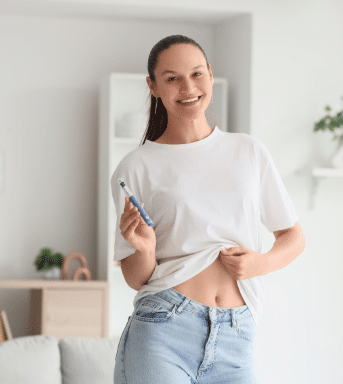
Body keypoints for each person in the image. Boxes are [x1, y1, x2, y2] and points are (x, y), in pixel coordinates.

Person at [111, 34, 306, 384]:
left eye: (197, 74)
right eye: (172, 78)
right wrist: (145, 248)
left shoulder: (249, 152)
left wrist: (261, 263)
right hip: (163, 329)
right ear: (153, 86)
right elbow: (136, 278)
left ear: (211, 75)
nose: (188, 87)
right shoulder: (135, 167)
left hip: (237, 334)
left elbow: (293, 236)